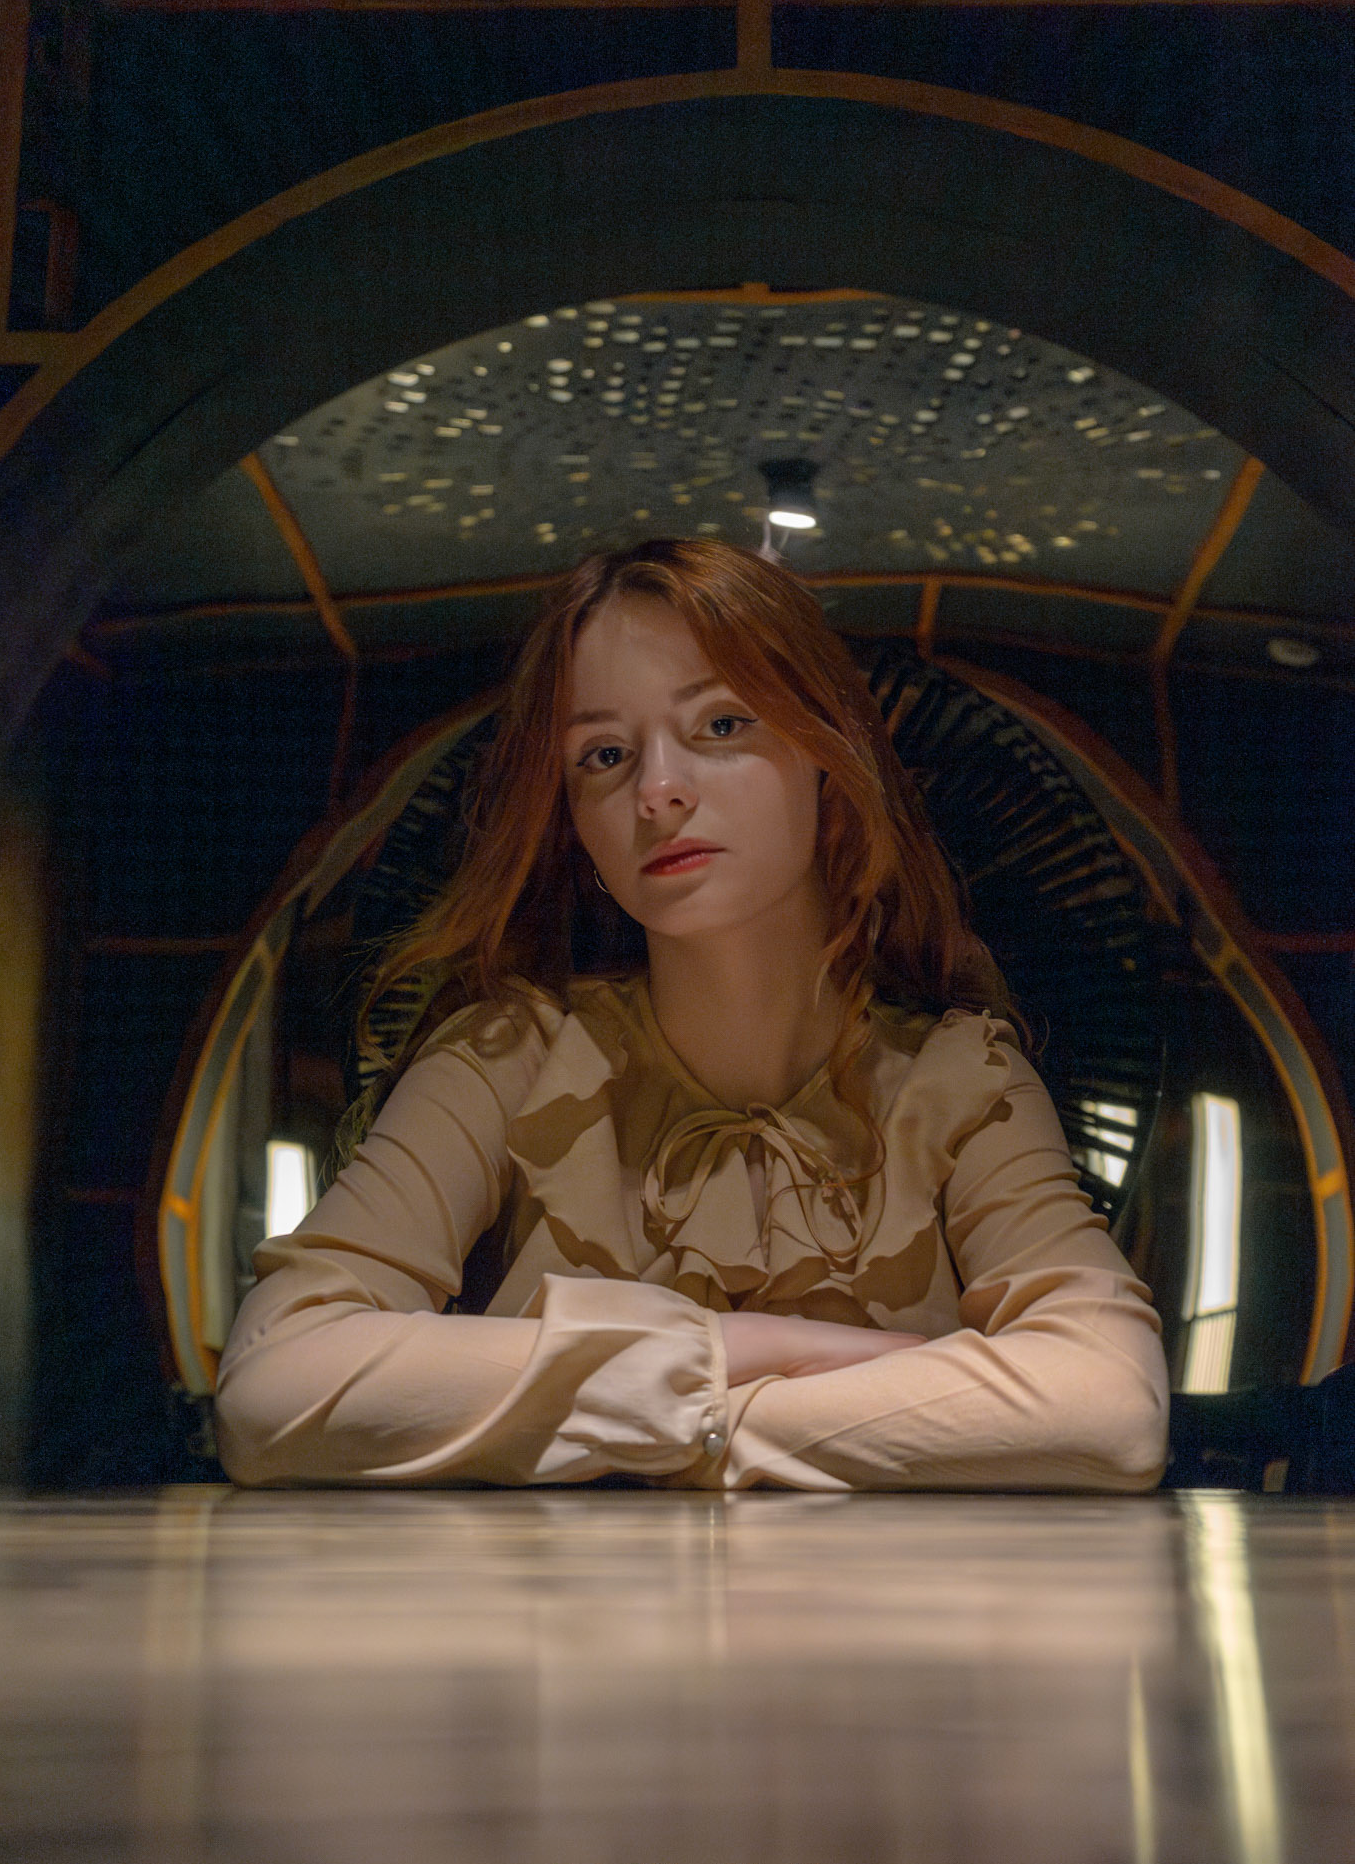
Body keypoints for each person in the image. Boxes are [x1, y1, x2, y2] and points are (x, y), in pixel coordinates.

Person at [215, 538, 1170, 1492]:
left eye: (720, 724)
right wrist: (735, 1352)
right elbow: (275, 1384)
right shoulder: (506, 1059)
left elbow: (1110, 1407)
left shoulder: (957, 1081)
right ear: (573, 823)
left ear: (824, 757)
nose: (657, 790)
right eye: (605, 754)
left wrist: (701, 1420)